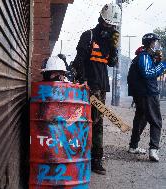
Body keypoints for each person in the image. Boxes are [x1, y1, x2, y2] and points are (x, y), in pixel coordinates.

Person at [71, 3, 122, 175]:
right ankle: (78, 155)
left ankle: (96, 159)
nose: (110, 28)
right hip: (87, 86)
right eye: (107, 24)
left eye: (112, 25)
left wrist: (114, 48)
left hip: (101, 88)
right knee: (83, 121)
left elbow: (112, 63)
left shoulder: (109, 41)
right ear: (101, 20)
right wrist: (84, 81)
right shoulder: (89, 35)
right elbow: (79, 61)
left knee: (98, 122)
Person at [127, 33, 166, 162]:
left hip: (142, 93)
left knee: (141, 119)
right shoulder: (144, 56)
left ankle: (133, 146)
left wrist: (157, 62)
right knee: (156, 121)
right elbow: (148, 73)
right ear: (150, 43)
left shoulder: (144, 56)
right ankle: (153, 150)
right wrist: (163, 65)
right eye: (155, 42)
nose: (157, 45)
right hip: (148, 93)